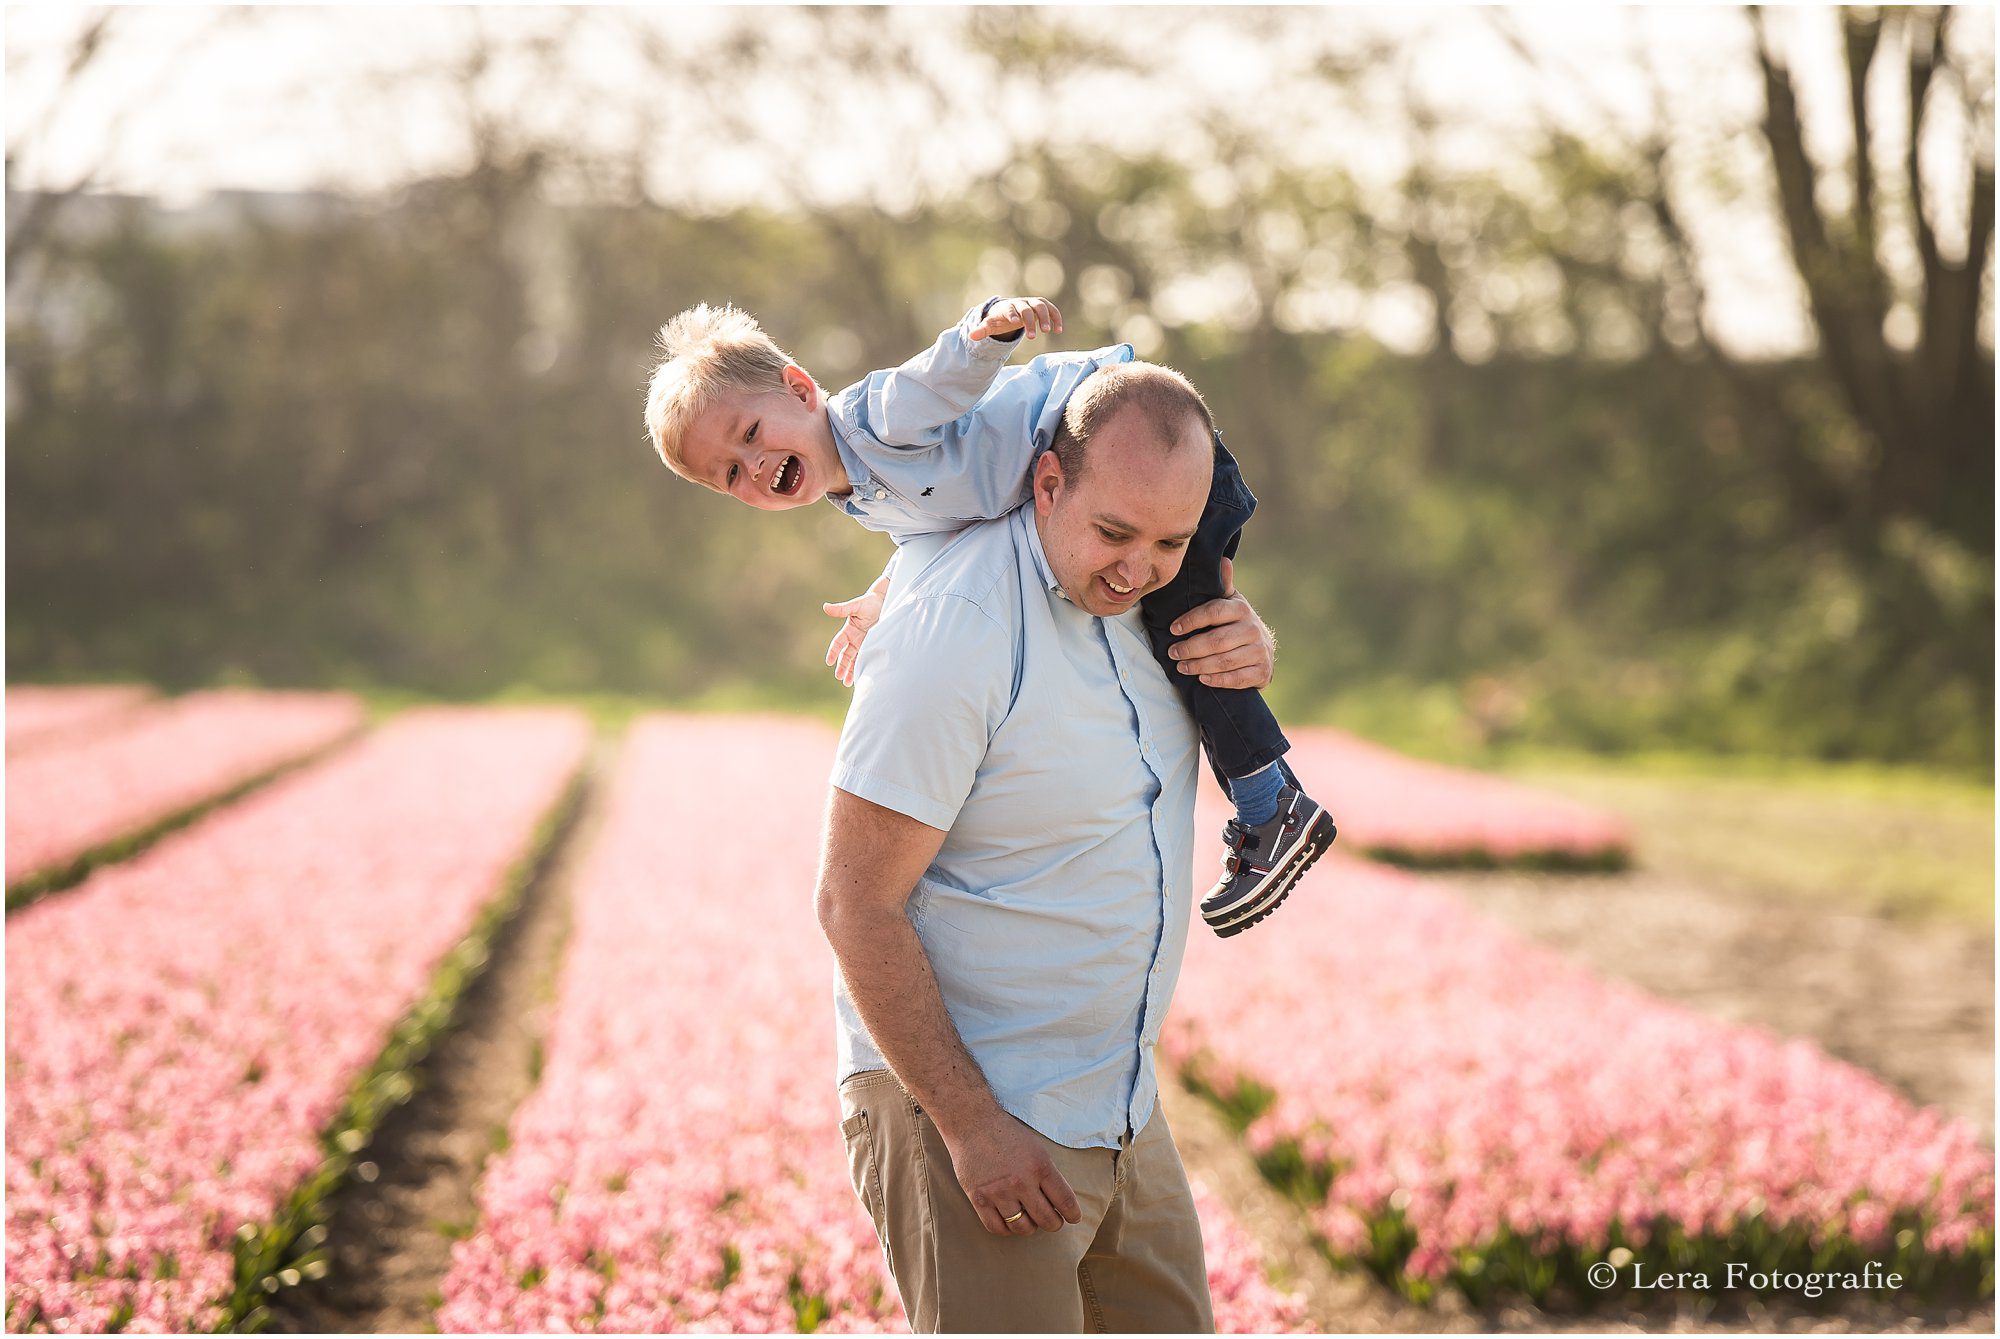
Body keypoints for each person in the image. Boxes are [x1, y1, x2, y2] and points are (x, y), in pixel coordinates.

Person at [814, 364, 1272, 1329]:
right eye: (1115, 533)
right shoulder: (958, 628)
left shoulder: (1149, 599)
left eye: (1170, 541)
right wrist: (973, 1127)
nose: (1137, 567)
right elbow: (855, 905)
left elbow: (1201, 656)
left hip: (1119, 1106)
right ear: (1049, 485)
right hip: (975, 1110)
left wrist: (1245, 648)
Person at [642, 295, 1335, 932]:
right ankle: (1268, 799)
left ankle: (1269, 802)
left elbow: (930, 383)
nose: (754, 464)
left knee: (1193, 636)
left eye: (751, 433)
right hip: (1120, 463)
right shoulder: (862, 490)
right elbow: (931, 531)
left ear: (799, 389)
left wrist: (986, 331)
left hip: (1147, 447)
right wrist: (880, 602)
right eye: (730, 472)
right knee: (1189, 635)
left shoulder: (870, 417)